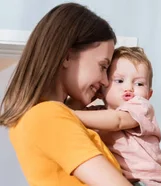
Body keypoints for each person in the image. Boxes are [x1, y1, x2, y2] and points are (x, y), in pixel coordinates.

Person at [0, 3, 133, 186]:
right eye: (102, 67)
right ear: (67, 56)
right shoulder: (48, 115)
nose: (105, 81)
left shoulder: (38, 116)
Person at [70, 46, 161, 186]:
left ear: (149, 95)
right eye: (119, 81)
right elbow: (63, 110)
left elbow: (117, 121)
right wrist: (91, 94)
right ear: (102, 87)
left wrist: (71, 115)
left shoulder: (141, 107)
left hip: (147, 182)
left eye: (139, 83)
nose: (129, 88)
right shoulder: (97, 113)